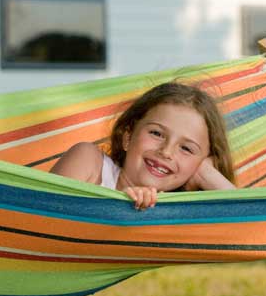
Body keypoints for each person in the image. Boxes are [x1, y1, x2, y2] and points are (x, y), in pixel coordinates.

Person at [50, 82, 236, 210]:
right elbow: (43, 213)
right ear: (128, 137)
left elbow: (253, 227)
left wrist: (207, 174)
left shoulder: (175, 215)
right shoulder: (89, 161)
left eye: (186, 148)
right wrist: (119, 206)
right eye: (156, 133)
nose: (166, 152)